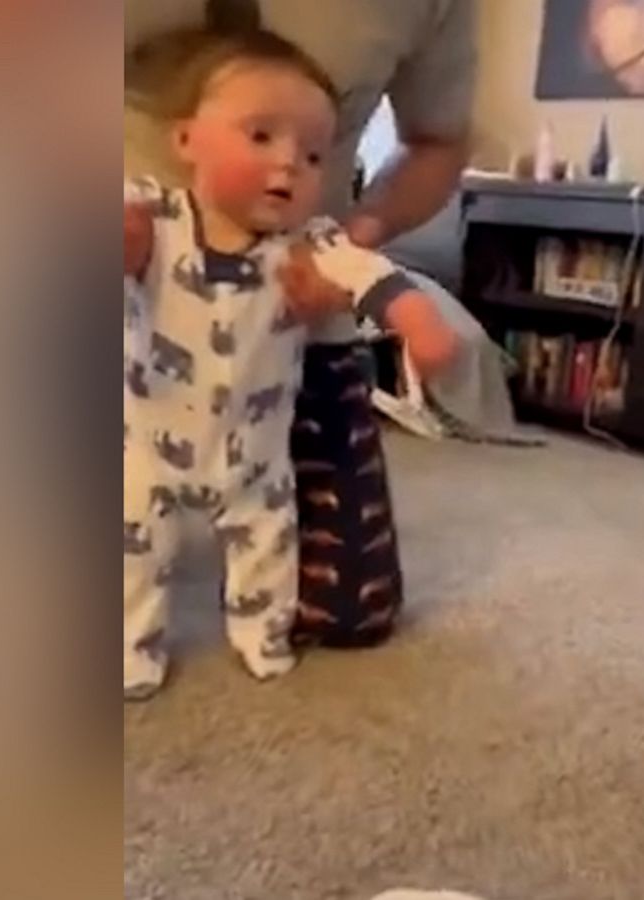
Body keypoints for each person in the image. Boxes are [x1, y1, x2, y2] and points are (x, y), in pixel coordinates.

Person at [124, 0, 475, 649]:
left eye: (312, 153)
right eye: (262, 139)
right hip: (126, 335)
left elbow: (440, 143)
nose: (288, 165)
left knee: (353, 610)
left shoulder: (310, 240)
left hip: (289, 357)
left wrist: (360, 255)